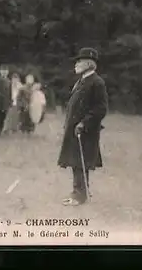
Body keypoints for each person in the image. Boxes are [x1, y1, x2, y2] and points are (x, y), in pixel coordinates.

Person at [58, 48, 108, 206]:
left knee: (81, 162)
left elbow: (101, 108)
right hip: (74, 128)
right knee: (75, 162)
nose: (76, 64)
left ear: (88, 63)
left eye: (79, 61)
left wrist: (84, 123)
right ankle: (77, 193)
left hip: (86, 130)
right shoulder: (81, 81)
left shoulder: (96, 82)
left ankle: (80, 195)